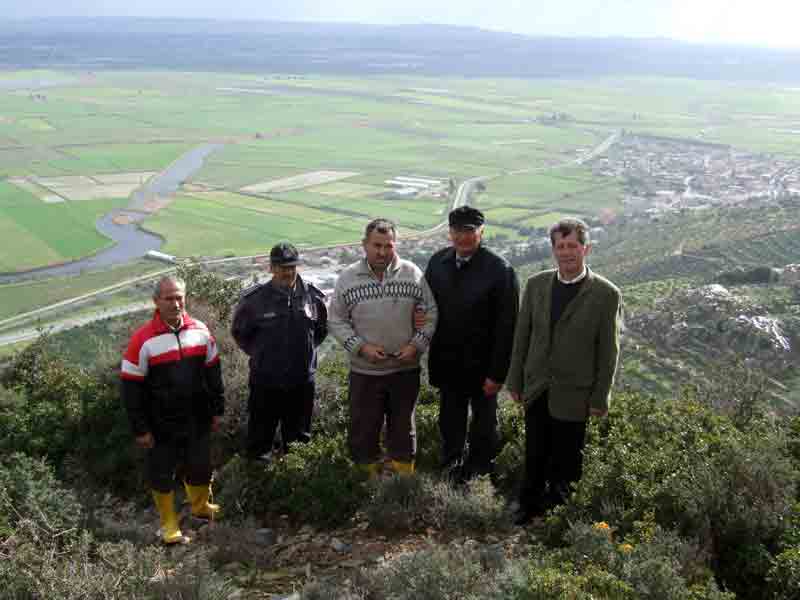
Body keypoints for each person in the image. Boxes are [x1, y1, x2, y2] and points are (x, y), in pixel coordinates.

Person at [507, 217, 622, 525]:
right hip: (537, 386)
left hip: (575, 392)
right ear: (553, 249)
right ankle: (527, 506)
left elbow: (609, 351)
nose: (567, 252)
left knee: (568, 459)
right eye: (561, 246)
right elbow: (522, 336)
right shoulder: (536, 285)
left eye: (573, 246)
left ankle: (560, 516)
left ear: (587, 249)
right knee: (534, 451)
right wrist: (515, 380)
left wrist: (601, 397)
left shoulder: (606, 294)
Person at [329, 218, 438, 476]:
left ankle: (404, 483)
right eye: (376, 245)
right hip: (365, 372)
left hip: (405, 370)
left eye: (388, 246)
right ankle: (367, 484)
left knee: (403, 430)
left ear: (395, 245)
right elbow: (336, 320)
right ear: (364, 245)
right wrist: (361, 347)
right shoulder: (347, 278)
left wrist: (416, 346)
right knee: (364, 429)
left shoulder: (412, 273)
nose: (382, 252)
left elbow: (431, 313)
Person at [121, 275, 225, 545]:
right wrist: (140, 428)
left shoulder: (201, 331)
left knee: (201, 466)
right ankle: (169, 524)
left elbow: (214, 372)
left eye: (179, 297)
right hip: (160, 423)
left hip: (197, 417)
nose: (176, 303)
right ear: (156, 301)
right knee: (162, 472)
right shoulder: (142, 341)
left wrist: (217, 409)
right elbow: (130, 389)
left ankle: (200, 507)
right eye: (169, 298)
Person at [425, 205, 519, 481]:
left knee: (484, 424)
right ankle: (450, 468)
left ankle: (480, 473)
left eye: (469, 231)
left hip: (483, 367)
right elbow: (426, 307)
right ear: (449, 233)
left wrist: (497, 373)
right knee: (449, 421)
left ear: (481, 232)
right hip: (447, 362)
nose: (462, 237)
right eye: (457, 231)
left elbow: (507, 326)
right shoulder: (437, 263)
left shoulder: (499, 269)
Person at [231, 242, 328, 460]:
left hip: (301, 383)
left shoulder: (313, 297)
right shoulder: (254, 300)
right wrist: (264, 356)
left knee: (299, 443)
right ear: (271, 268)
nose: (287, 271)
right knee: (259, 441)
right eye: (282, 267)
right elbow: (240, 334)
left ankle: (293, 486)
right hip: (265, 383)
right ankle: (257, 488)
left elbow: (320, 331)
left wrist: (300, 356)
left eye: (292, 266)